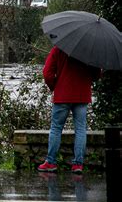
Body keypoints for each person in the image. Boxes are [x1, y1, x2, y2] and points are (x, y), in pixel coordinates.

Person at [38, 46, 100, 174]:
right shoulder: (89, 50)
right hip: (82, 95)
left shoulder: (58, 49)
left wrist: (55, 86)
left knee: (56, 128)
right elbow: (96, 74)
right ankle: (78, 164)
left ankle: (51, 162)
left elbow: (47, 73)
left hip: (62, 95)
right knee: (81, 129)